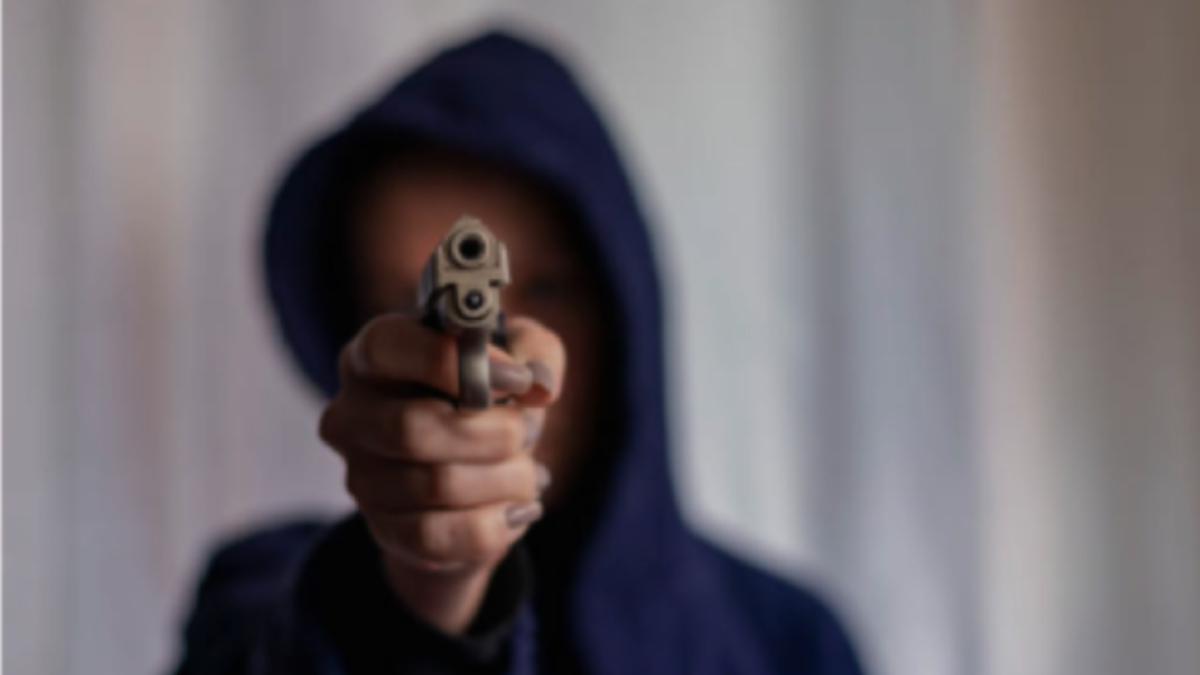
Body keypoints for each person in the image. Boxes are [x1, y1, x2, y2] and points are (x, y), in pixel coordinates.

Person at [172, 31, 866, 675]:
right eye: (411, 303)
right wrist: (420, 590)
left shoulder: (789, 639)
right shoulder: (259, 601)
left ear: (622, 306)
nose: (490, 337)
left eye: (547, 288)